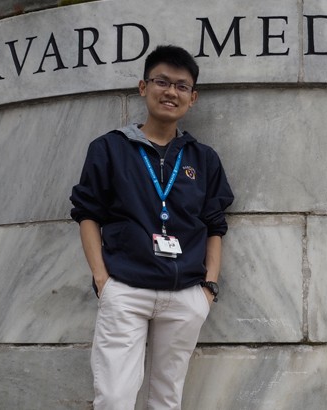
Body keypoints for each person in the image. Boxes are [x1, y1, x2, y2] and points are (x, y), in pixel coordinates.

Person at [69, 44, 234, 409]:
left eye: (181, 86)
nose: (170, 92)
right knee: (114, 397)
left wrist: (208, 287)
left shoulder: (203, 159)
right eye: (162, 81)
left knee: (166, 398)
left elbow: (214, 225)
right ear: (144, 87)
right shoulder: (109, 148)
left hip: (186, 295)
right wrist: (102, 279)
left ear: (193, 97)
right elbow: (86, 213)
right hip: (126, 290)